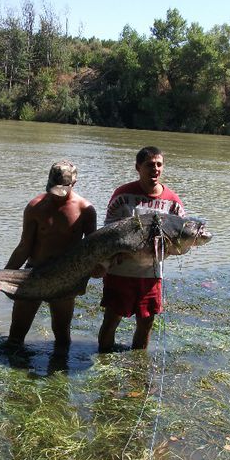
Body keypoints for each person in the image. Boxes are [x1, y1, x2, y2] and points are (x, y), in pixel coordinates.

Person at [0, 160, 97, 349]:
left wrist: (93, 272)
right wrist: (2, 277)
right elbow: (24, 247)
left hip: (65, 278)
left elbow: (91, 251)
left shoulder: (85, 210)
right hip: (33, 273)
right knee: (15, 336)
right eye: (52, 189)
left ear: (74, 184)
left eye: (61, 190)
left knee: (62, 337)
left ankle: (60, 373)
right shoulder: (35, 207)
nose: (56, 195)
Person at [98, 146, 186, 352]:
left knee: (146, 324)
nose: (155, 169)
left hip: (151, 274)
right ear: (138, 168)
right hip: (119, 271)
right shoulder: (122, 195)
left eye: (159, 165)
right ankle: (102, 355)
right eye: (149, 165)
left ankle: (138, 365)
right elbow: (107, 232)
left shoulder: (172, 202)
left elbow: (182, 238)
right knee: (111, 321)